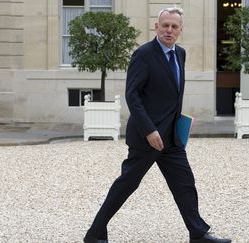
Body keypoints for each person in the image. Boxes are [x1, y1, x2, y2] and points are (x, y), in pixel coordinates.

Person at [83, 7, 231, 243]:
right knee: (127, 184)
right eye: (165, 25)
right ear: (156, 27)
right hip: (147, 136)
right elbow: (133, 96)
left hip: (171, 137)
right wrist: (149, 129)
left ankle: (198, 233)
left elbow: (171, 93)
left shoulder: (180, 54)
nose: (169, 30)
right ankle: (95, 232)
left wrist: (179, 120)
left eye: (174, 26)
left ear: (180, 30)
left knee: (184, 183)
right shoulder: (143, 54)